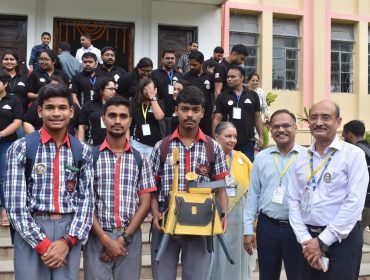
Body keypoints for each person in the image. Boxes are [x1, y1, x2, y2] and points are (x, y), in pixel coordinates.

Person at [4, 83, 94, 280]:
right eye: (49, 108)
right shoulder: (21, 148)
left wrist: (67, 241)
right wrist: (44, 245)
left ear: (71, 111)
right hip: (31, 230)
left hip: (69, 230)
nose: (56, 113)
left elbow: (87, 201)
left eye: (62, 108)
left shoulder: (83, 151)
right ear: (39, 111)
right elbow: (15, 206)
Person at [150, 86, 229, 280]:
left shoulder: (213, 148)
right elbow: (153, 189)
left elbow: (220, 188)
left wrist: (223, 215)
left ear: (203, 112)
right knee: (162, 276)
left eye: (195, 110)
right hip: (166, 220)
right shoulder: (162, 147)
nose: (190, 115)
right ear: (176, 110)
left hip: (200, 223)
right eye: (185, 109)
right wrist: (155, 214)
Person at [288, 100, 369, 280]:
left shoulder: (354, 155)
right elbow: (293, 200)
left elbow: (354, 203)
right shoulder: (301, 158)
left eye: (326, 117)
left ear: (338, 122)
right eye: (314, 117)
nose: (319, 122)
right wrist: (305, 240)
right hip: (307, 241)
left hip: (342, 241)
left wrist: (323, 241)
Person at [83, 95, 157, 280]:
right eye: (112, 115)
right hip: (97, 235)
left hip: (130, 236)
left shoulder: (140, 159)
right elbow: (84, 202)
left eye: (123, 116)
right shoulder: (90, 157)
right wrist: (106, 240)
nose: (117, 121)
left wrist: (123, 239)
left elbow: (145, 202)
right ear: (103, 119)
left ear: (130, 121)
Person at [244, 109, 305, 280]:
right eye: (276, 126)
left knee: (298, 275)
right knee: (267, 276)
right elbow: (253, 195)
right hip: (267, 227)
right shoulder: (261, 158)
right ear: (270, 130)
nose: (281, 130)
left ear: (296, 127)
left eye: (286, 125)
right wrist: (248, 229)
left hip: (298, 228)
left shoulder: (307, 157)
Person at [209, 121, 254, 280]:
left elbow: (254, 187)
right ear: (216, 137)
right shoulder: (209, 158)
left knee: (236, 255)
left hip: (238, 217)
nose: (232, 140)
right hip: (215, 213)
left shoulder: (242, 158)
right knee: (214, 255)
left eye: (235, 136)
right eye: (228, 136)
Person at [212, 66, 263, 162]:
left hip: (247, 142)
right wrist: (215, 138)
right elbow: (216, 119)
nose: (229, 79)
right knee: (227, 171)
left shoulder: (253, 95)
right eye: (227, 77)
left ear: (242, 78)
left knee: (247, 171)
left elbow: (257, 117)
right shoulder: (222, 96)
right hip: (227, 142)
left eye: (233, 77)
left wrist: (261, 136)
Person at [0, 69, 23, 226]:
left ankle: (5, 209)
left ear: (5, 84)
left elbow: (17, 122)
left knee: (4, 176)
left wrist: (0, 134)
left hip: (7, 142)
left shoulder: (13, 101)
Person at [342, 120, 370, 231]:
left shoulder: (354, 153)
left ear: (349, 134)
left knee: (352, 236)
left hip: (363, 205)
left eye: (343, 136)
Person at [130, 78, 165, 158]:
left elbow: (159, 117)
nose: (149, 91)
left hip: (154, 143)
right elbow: (129, 123)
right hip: (137, 143)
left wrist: (152, 97)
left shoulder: (159, 103)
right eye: (147, 88)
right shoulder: (134, 103)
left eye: (151, 88)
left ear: (155, 89)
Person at [77, 77, 117, 146]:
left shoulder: (118, 106)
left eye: (114, 89)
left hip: (113, 146)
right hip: (91, 146)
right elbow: (82, 126)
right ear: (101, 90)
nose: (113, 91)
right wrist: (80, 145)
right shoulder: (89, 105)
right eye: (110, 89)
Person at [184, 50, 214, 136]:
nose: (192, 67)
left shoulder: (210, 76)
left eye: (194, 65)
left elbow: (214, 94)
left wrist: (213, 112)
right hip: (191, 116)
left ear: (202, 63)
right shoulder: (186, 76)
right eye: (190, 65)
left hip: (207, 116)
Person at [152, 49, 182, 121]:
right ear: (162, 59)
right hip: (160, 113)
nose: (170, 60)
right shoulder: (154, 74)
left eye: (172, 58)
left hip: (176, 114)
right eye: (167, 58)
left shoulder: (179, 75)